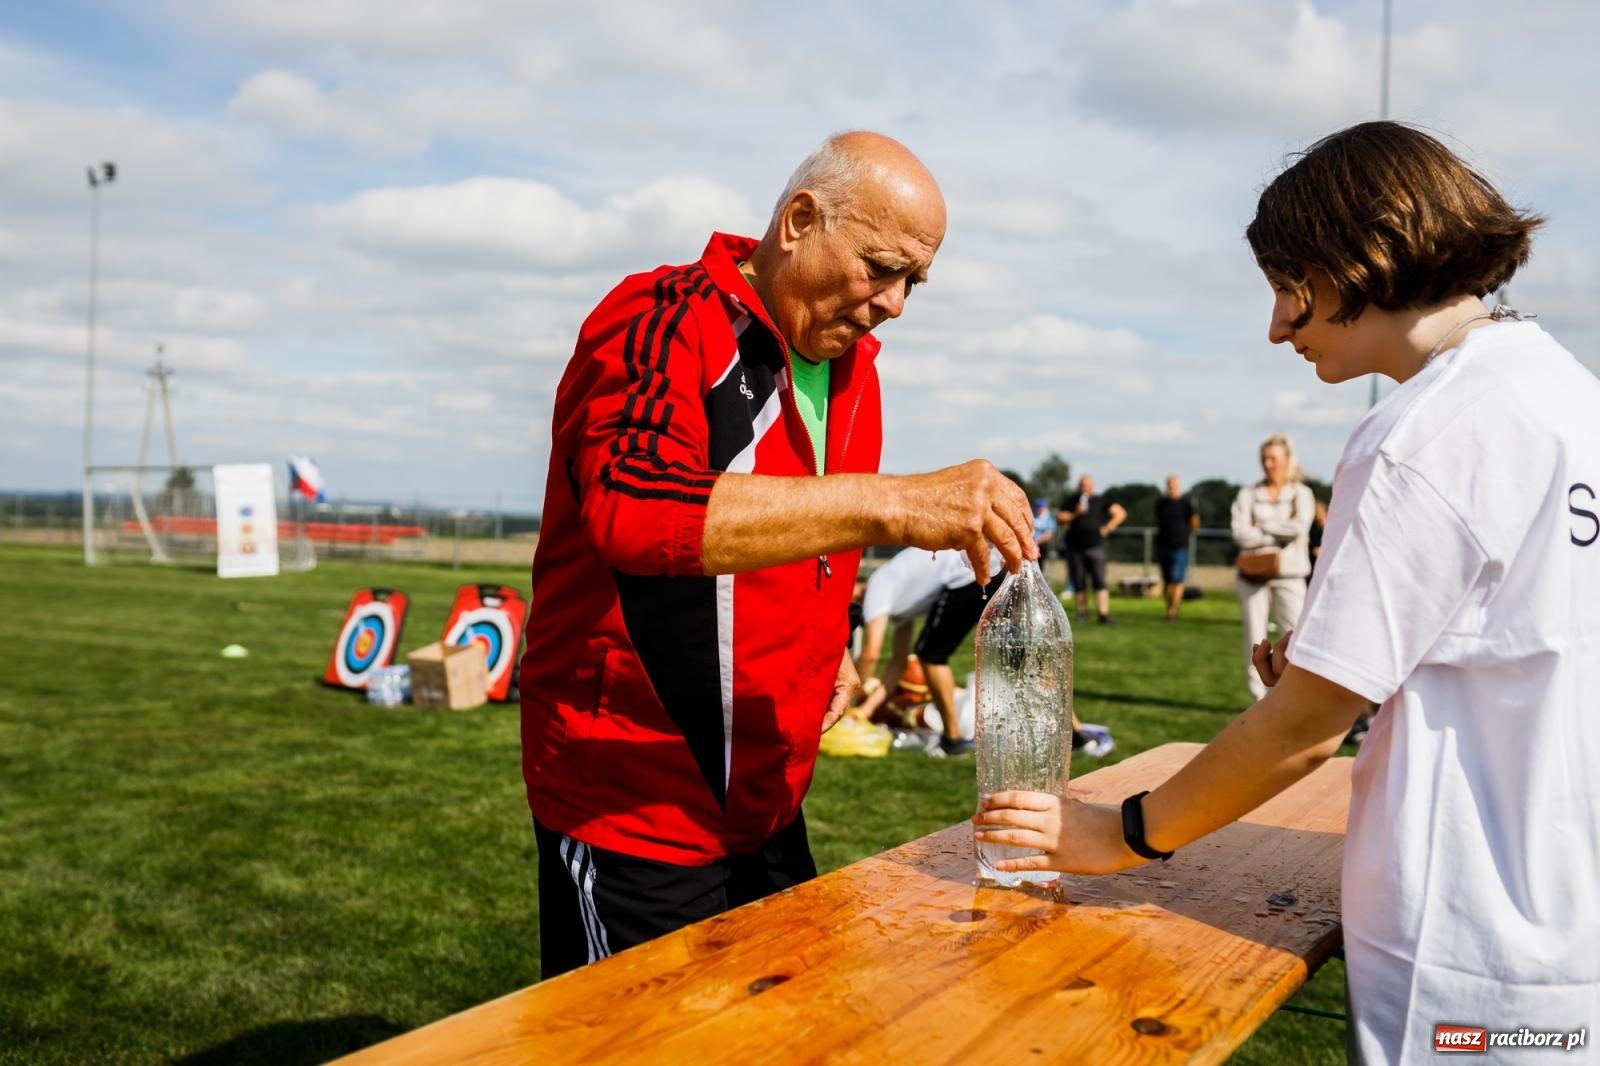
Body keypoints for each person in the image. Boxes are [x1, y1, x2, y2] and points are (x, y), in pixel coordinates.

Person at [973, 121, 1599, 1064]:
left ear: (1363, 257)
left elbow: (1307, 726)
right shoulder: (1567, 394)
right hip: (1562, 930)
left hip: (1468, 956)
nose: (1276, 327)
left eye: (1287, 289)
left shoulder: (1417, 435)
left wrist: (1124, 833)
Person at [522, 131, 1039, 979]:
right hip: (635, 799)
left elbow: (806, 537)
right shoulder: (663, 315)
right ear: (799, 220)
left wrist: (828, 632)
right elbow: (635, 506)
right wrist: (897, 502)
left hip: (767, 802)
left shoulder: (855, 368)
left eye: (916, 281)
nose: (898, 302)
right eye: (881, 266)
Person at [1231, 434, 1315, 699]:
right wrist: (1279, 532)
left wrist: (1262, 526)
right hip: (1252, 576)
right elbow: (1240, 533)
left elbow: (1299, 527)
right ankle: (1260, 701)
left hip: (1290, 575)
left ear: (1287, 460)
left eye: (1273, 459)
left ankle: (1296, 696)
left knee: (1296, 636)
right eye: (1264, 459)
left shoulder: (1301, 493)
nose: (1268, 464)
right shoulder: (1248, 494)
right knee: (1255, 640)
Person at [1056, 474, 1126, 624]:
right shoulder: (1072, 501)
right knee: (1079, 582)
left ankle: (1103, 614)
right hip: (1075, 547)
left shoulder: (1100, 501)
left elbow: (1120, 513)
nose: (1085, 487)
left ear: (1092, 486)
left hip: (1095, 546)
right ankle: (1082, 613)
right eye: (1082, 484)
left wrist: (1108, 527)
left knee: (1100, 581)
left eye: (1087, 484)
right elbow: (1060, 517)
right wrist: (1076, 513)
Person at [1153, 475, 1199, 622]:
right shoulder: (1161, 503)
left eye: (1174, 484)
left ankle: (1173, 610)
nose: (1171, 487)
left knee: (1176, 579)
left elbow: (1194, 522)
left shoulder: (1186, 503)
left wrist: (1185, 535)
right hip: (1163, 545)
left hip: (1179, 546)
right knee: (1167, 580)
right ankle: (1169, 606)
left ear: (1178, 485)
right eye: (1169, 484)